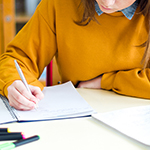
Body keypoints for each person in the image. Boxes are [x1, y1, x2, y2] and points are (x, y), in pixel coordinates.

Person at [0, 0, 149, 111]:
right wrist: (14, 83)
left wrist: (107, 81)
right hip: (76, 122)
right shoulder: (60, 4)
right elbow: (17, 59)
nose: (107, 2)